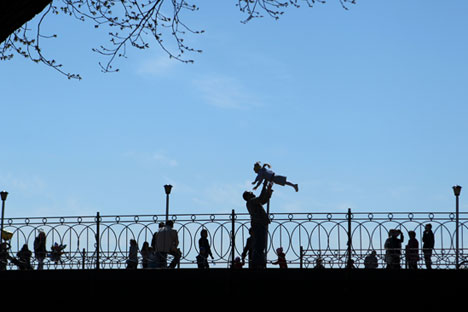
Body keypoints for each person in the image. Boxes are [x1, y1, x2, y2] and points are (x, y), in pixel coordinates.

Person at [243, 181, 273, 269]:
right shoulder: (251, 202)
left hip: (260, 224)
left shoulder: (253, 202)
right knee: (259, 245)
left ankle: (259, 263)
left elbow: (263, 200)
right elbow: (261, 198)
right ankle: (258, 263)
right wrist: (264, 185)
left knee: (261, 244)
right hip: (258, 225)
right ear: (247, 197)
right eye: (250, 193)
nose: (252, 193)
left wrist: (269, 191)